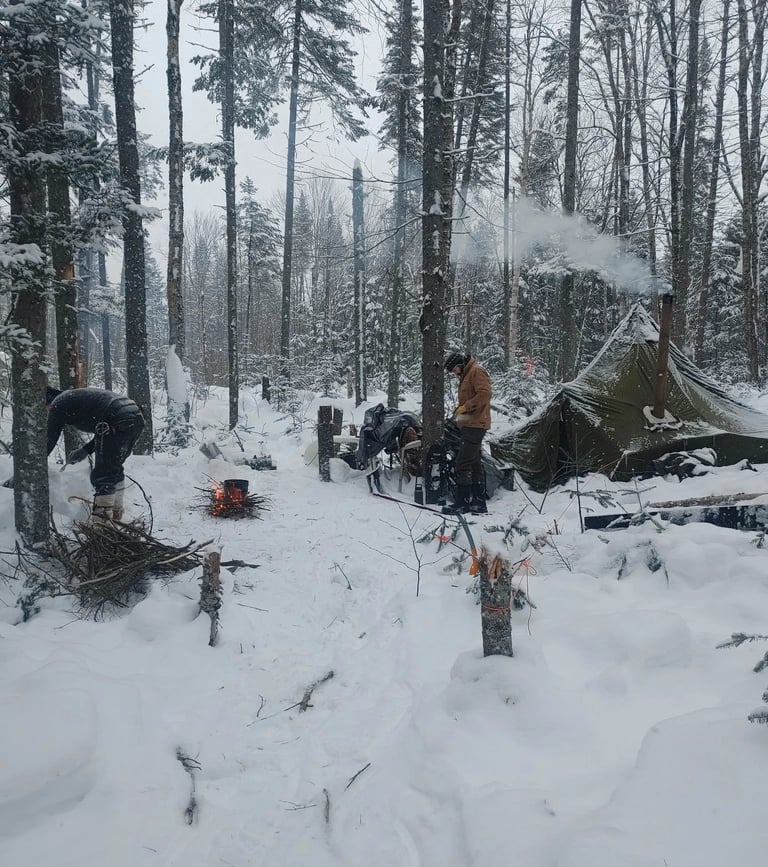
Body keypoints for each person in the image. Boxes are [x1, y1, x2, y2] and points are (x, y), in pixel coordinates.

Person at [46, 386, 145, 522]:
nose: (46, 413)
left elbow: (49, 440)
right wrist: (86, 450)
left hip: (117, 417)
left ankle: (101, 521)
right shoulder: (72, 397)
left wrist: (28, 467)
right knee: (113, 466)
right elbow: (103, 427)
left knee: (103, 473)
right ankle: (116, 512)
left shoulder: (58, 404)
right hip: (135, 415)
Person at [443, 351, 492, 514]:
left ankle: (462, 502)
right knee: (474, 462)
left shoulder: (476, 371)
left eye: (455, 369)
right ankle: (478, 502)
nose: (454, 373)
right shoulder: (467, 374)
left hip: (476, 424)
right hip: (469, 424)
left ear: (461, 364)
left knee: (462, 463)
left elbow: (484, 394)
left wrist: (467, 406)